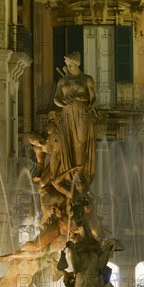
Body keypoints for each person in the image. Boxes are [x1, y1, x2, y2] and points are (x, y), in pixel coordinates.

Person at [52, 51, 97, 193]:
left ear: (77, 64)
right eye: (68, 65)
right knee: (69, 142)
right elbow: (56, 98)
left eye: (71, 64)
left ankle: (81, 173)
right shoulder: (63, 81)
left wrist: (90, 104)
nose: (69, 67)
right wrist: (62, 105)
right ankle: (72, 175)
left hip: (82, 113)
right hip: (67, 114)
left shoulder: (87, 79)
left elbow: (93, 97)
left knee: (80, 142)